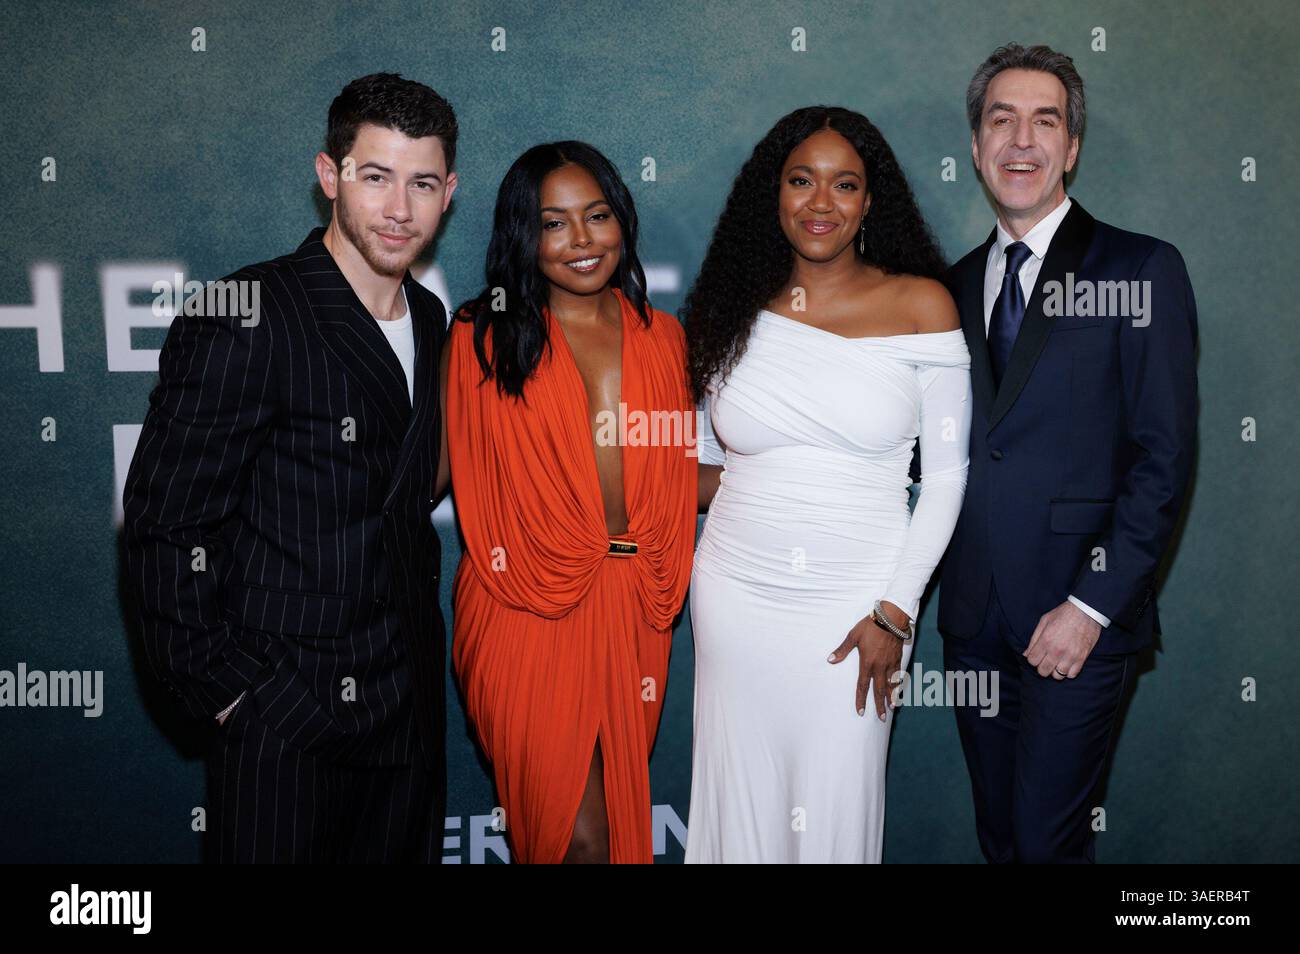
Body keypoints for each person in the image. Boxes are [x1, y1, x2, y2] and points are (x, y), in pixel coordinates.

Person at [122, 73, 458, 862]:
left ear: (450, 192)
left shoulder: (435, 319)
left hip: (405, 716)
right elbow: (164, 523)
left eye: (422, 183)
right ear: (328, 175)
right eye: (375, 177)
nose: (399, 209)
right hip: (285, 719)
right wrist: (235, 696)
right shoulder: (248, 311)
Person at [683, 106, 972, 863]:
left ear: (871, 202)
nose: (821, 203)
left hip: (861, 610)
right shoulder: (731, 309)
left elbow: (944, 482)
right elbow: (707, 465)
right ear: (771, 194)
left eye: (844, 185)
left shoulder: (922, 305)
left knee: (836, 816)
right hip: (735, 598)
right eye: (801, 180)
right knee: (738, 809)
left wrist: (895, 614)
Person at [939, 44, 1198, 863]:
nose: (1022, 139)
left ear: (1072, 147)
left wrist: (1090, 607)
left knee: (1049, 847)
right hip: (973, 622)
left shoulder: (1141, 268)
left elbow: (1164, 458)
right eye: (1000, 119)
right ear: (976, 147)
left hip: (1076, 622)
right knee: (1003, 840)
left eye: (1044, 120)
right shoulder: (945, 287)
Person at [440, 142, 697, 863]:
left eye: (598, 216)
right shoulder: (481, 338)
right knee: (573, 837)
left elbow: (674, 472)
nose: (583, 241)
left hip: (632, 609)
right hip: (520, 607)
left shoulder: (665, 338)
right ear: (525, 235)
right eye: (555, 224)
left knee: (610, 836)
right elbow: (431, 471)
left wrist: (791, 479)